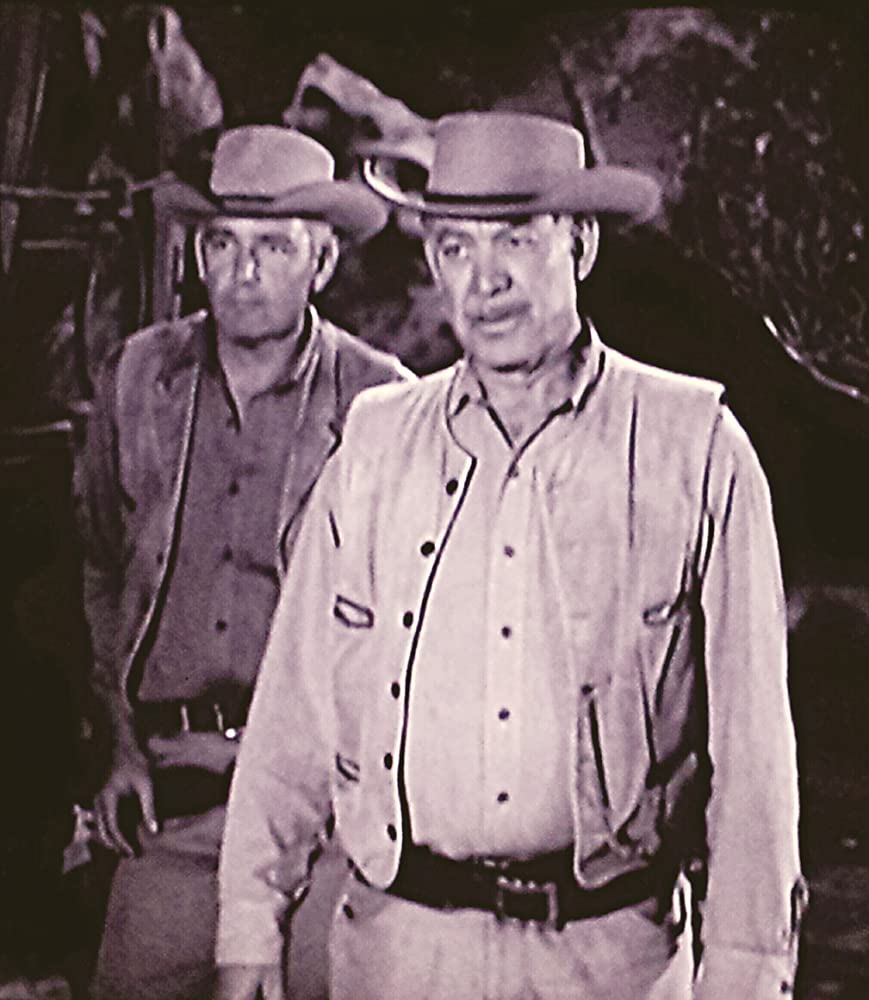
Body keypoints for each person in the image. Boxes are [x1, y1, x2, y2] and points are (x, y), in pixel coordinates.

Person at [215, 112, 805, 1000]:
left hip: (611, 961)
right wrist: (248, 929)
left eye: (516, 240)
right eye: (455, 247)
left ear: (580, 245)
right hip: (399, 956)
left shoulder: (694, 447)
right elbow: (294, 711)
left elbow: (753, 753)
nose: (483, 281)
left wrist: (746, 975)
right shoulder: (375, 445)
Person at [73, 123, 410, 1000]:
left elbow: (416, 618)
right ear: (197, 255)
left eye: (274, 247)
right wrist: (120, 748)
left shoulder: (380, 402)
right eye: (222, 244)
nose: (244, 271)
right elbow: (101, 566)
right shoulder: (138, 378)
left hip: (326, 808)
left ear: (321, 262)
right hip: (178, 791)